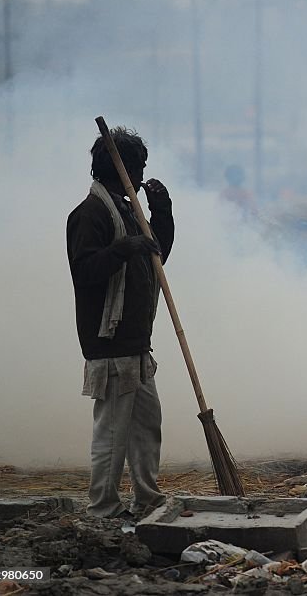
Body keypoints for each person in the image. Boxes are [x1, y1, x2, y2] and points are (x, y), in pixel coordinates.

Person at [66, 126, 173, 519]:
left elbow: (155, 257)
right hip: (109, 343)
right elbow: (86, 271)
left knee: (147, 426)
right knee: (112, 432)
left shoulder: (128, 209)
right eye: (139, 166)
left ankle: (148, 498)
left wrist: (163, 214)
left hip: (137, 343)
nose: (143, 174)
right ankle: (103, 508)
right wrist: (122, 248)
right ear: (120, 167)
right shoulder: (90, 214)